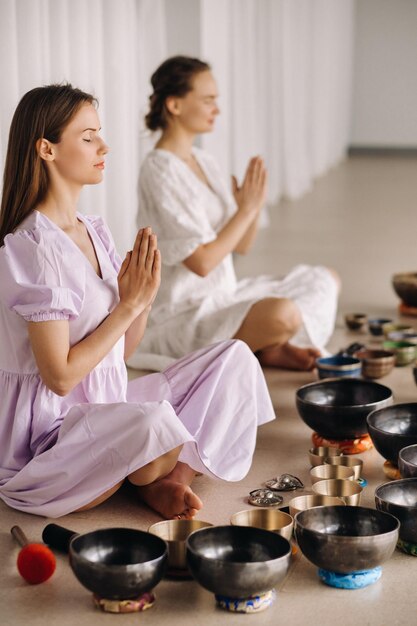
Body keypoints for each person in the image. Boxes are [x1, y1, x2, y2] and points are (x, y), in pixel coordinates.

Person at [0, 84, 276, 519]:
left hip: (110, 407)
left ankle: (168, 478)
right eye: (88, 136)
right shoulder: (33, 247)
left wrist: (142, 298)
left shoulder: (94, 230)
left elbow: (118, 355)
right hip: (50, 441)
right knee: (154, 424)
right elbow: (60, 377)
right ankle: (150, 472)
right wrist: (127, 307)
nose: (103, 145)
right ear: (46, 150)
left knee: (236, 360)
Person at [131, 56, 340, 372]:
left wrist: (253, 208)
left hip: (224, 295)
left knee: (325, 279)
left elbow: (241, 245)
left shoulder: (205, 161)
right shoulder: (158, 169)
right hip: (185, 313)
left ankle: (263, 346)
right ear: (174, 105)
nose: (217, 108)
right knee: (284, 314)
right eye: (208, 100)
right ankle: (262, 345)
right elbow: (201, 263)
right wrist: (245, 210)